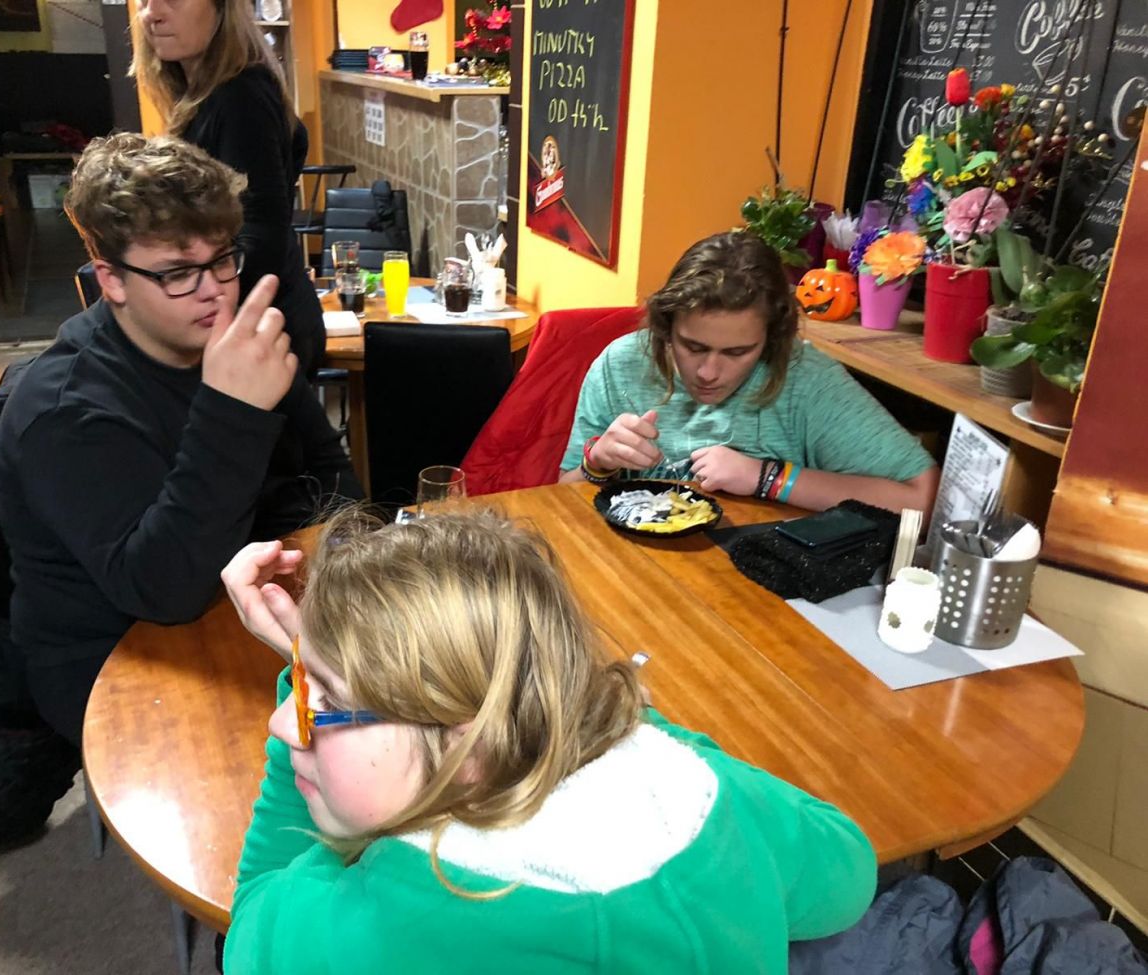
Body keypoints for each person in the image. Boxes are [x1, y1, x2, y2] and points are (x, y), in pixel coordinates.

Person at [218, 508, 877, 973]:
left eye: (327, 702)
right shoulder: (704, 802)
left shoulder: (369, 929)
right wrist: (628, 725)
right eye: (303, 685)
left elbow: (251, 923)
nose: (282, 722)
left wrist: (300, 689)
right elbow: (848, 873)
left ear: (470, 738)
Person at [0, 133, 360, 746]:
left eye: (223, 259)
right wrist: (233, 412)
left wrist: (345, 567)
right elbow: (163, 590)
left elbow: (328, 471)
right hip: (118, 658)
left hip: (249, 604)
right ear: (111, 280)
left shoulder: (237, 345)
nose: (215, 289)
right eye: (180, 273)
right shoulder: (63, 410)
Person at [560, 232, 939, 515]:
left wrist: (768, 478)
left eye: (737, 352)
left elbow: (923, 497)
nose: (708, 372)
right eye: (693, 346)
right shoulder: (620, 364)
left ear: (771, 340)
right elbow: (564, 494)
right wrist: (597, 464)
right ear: (665, 327)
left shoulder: (806, 378)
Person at [132, 0, 325, 377]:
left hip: (262, 331)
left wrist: (188, 304)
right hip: (250, 322)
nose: (152, 13)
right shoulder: (204, 92)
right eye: (143, 0)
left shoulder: (239, 94)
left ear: (222, 8)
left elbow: (260, 238)